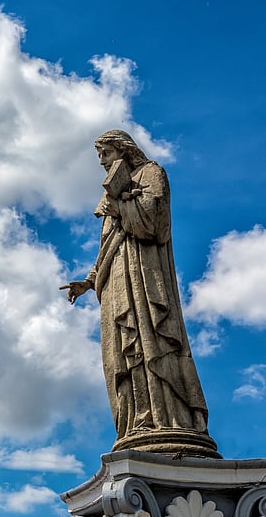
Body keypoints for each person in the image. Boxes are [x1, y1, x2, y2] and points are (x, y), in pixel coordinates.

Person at [62, 130, 217, 457]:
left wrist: (122, 203)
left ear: (122, 148)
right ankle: (139, 419)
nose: (102, 162)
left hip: (144, 270)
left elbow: (154, 223)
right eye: (99, 157)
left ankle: (170, 417)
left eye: (105, 154)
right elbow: (106, 246)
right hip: (117, 276)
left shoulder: (151, 173)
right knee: (124, 347)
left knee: (152, 339)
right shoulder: (110, 195)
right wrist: (89, 281)